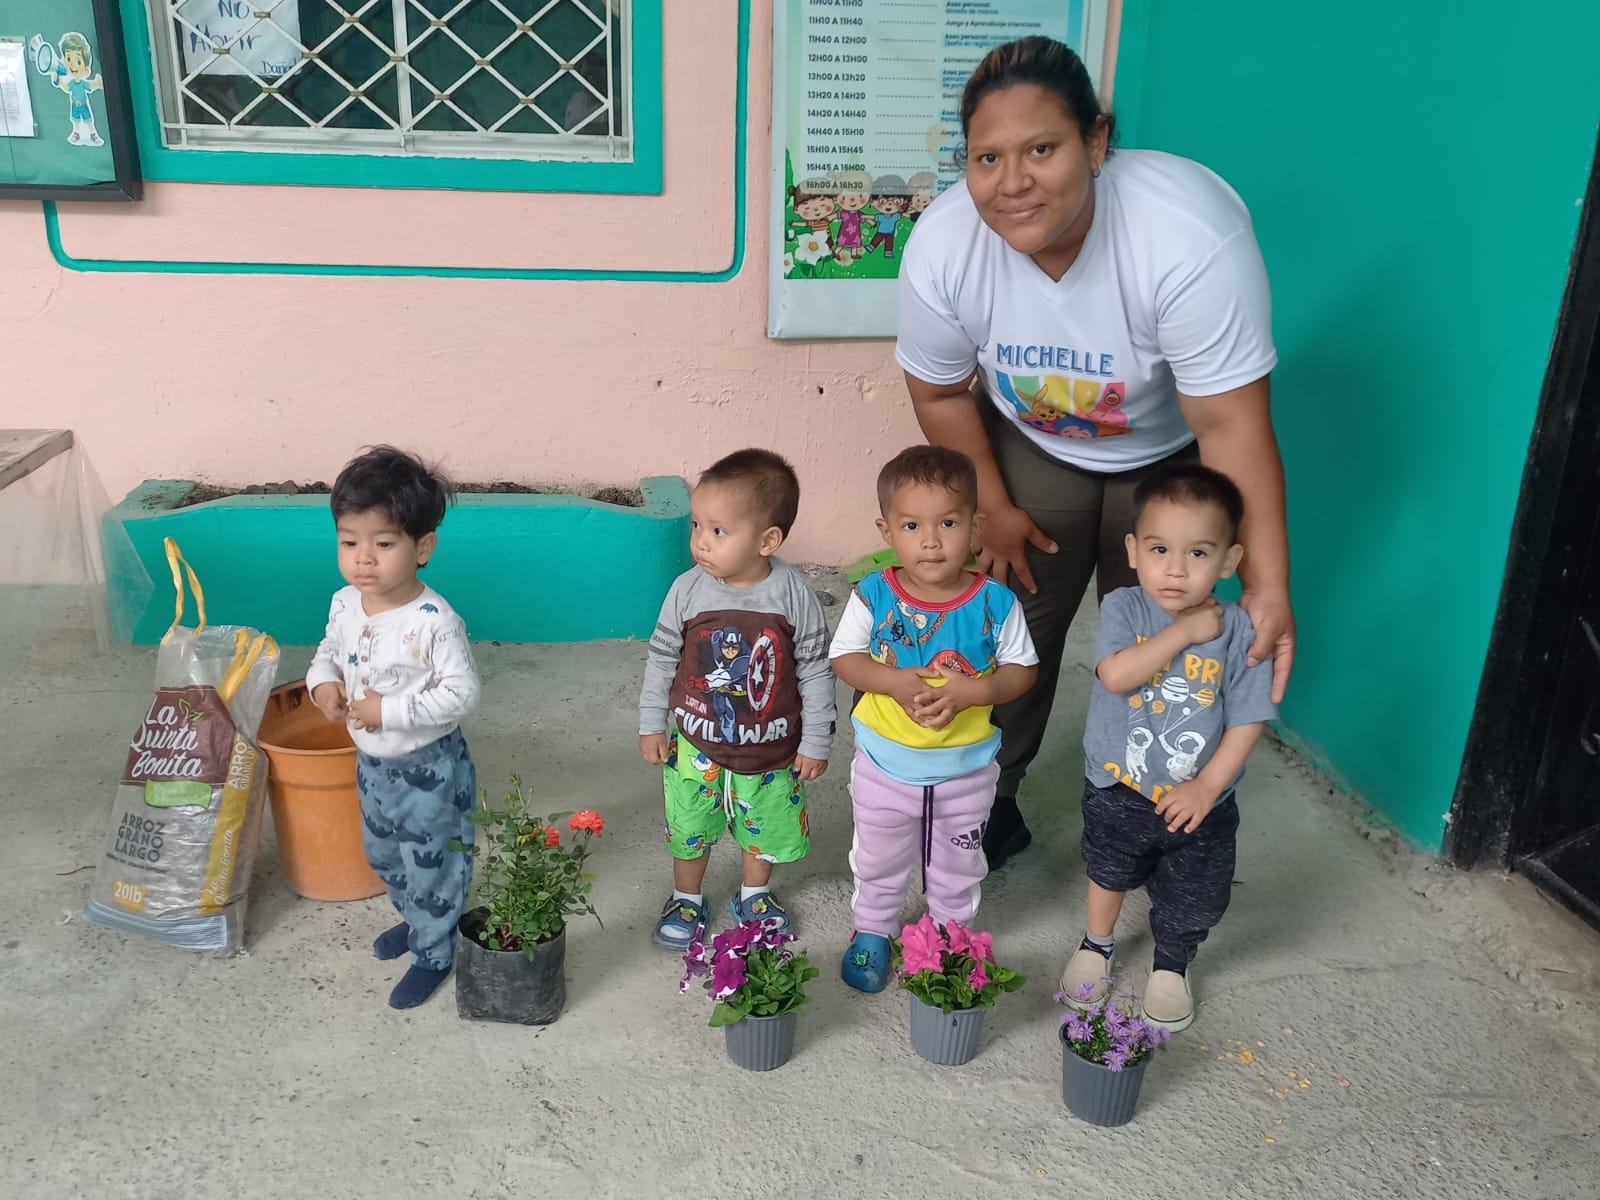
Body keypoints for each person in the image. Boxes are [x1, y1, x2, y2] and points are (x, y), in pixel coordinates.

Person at [895, 35, 1293, 871]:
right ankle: (986, 801)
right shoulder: (944, 245)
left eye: (1042, 149)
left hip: (1170, 456)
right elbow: (939, 392)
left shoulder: (1185, 237)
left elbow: (1231, 427)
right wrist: (994, 508)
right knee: (1007, 626)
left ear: (1097, 141)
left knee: (1167, 638)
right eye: (987, 158)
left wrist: (1266, 587)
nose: (1013, 182)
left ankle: (1148, 811)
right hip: (1032, 441)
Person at [1061, 464, 1275, 1032]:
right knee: (1108, 868)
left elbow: (1248, 717)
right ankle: (1097, 943)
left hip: (1198, 801)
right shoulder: (1125, 607)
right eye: (1159, 549)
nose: (1175, 568)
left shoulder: (1242, 630)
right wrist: (1183, 631)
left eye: (1198, 553)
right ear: (1134, 550)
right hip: (1118, 782)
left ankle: (1172, 964)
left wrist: (1208, 786)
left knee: (1194, 890)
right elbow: (1115, 674)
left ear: (1229, 560)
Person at [829, 447, 1038, 992]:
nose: (930, 540)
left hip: (965, 770)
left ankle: (950, 934)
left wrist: (976, 691)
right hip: (884, 764)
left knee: (958, 863)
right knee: (878, 857)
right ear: (886, 531)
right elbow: (844, 657)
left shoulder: (995, 603)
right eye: (911, 525)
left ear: (976, 528)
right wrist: (893, 681)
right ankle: (873, 929)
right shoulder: (874, 594)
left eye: (948, 523)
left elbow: (1022, 670)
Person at [638, 449, 835, 948]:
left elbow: (816, 669)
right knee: (690, 825)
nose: (701, 542)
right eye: (698, 526)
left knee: (764, 825)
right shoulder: (686, 590)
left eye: (719, 531)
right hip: (696, 747)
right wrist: (651, 723)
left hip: (771, 750)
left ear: (768, 540)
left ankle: (754, 894)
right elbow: (661, 659)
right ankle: (686, 898)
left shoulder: (793, 596)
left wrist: (815, 740)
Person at [306, 446, 480, 1010]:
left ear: (422, 548)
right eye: (348, 543)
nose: (364, 559)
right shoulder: (345, 603)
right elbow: (329, 651)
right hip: (372, 763)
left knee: (434, 865)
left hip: (429, 767)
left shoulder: (435, 623)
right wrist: (323, 683)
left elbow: (462, 693)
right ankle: (417, 921)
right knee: (385, 855)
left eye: (383, 544)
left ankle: (434, 952)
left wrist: (390, 711)